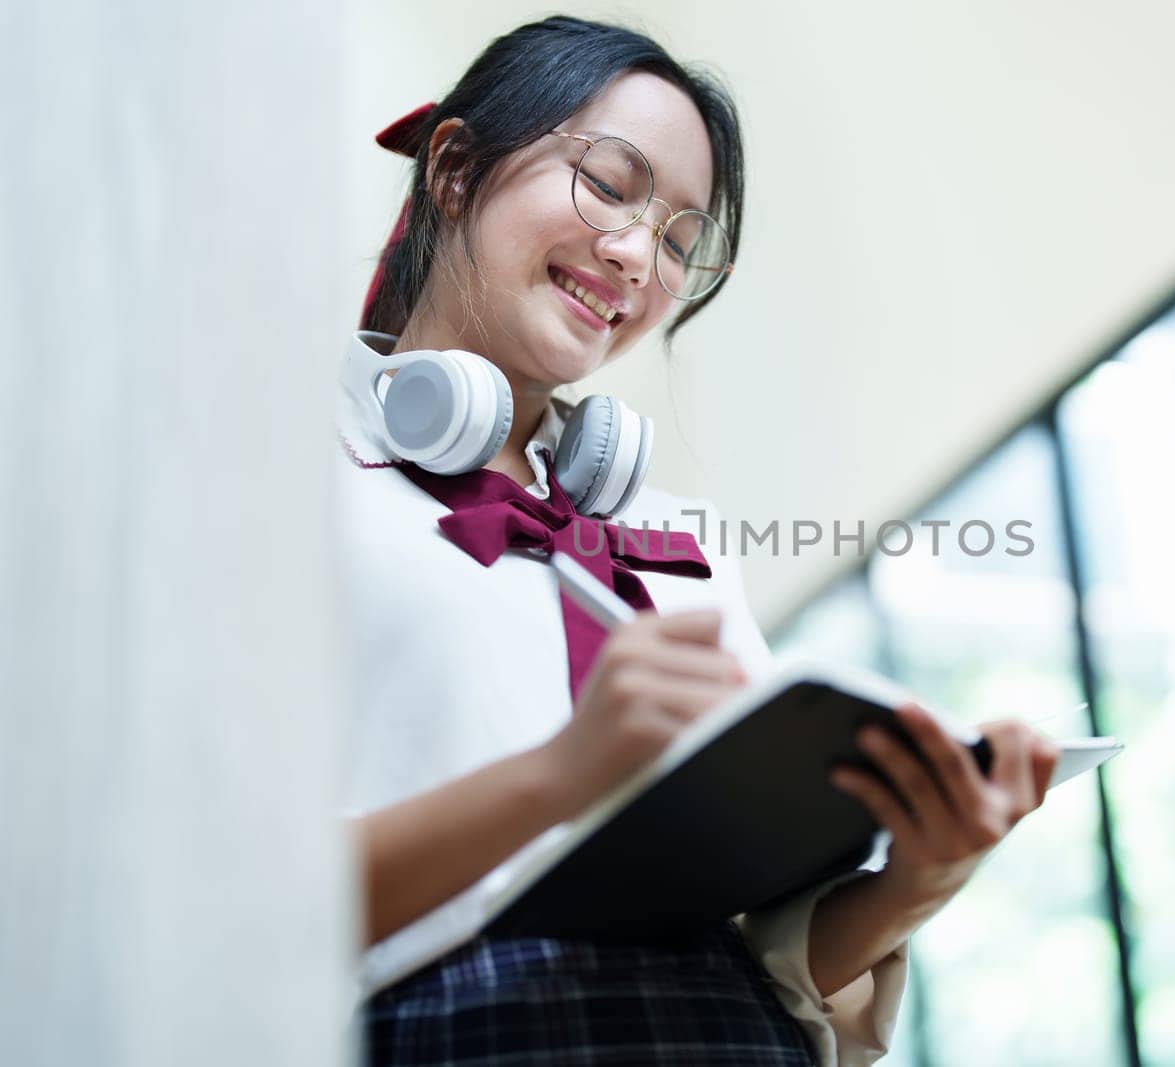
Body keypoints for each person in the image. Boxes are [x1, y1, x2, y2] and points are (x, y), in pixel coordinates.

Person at [336, 15, 1063, 1066]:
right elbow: (224, 904)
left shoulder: (666, 543)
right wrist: (557, 776)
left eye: (681, 239)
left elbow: (761, 961)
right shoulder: (285, 483)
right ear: (452, 169)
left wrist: (923, 876)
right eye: (612, 184)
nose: (637, 254)